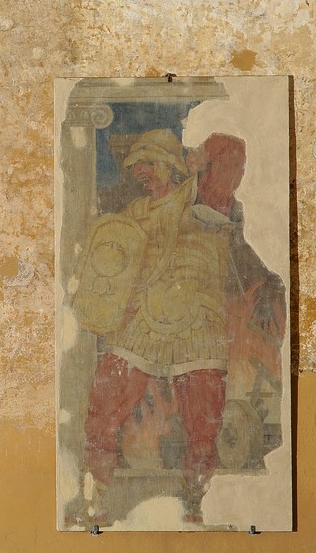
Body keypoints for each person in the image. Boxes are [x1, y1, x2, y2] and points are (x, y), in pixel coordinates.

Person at [73, 129, 231, 524]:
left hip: (194, 319)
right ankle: (97, 497)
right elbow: (116, 264)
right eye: (135, 166)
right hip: (143, 319)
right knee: (104, 402)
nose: (138, 172)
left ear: (168, 164)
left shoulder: (198, 199)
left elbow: (229, 155)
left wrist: (201, 162)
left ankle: (196, 501)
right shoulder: (134, 214)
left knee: (203, 416)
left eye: (145, 163)